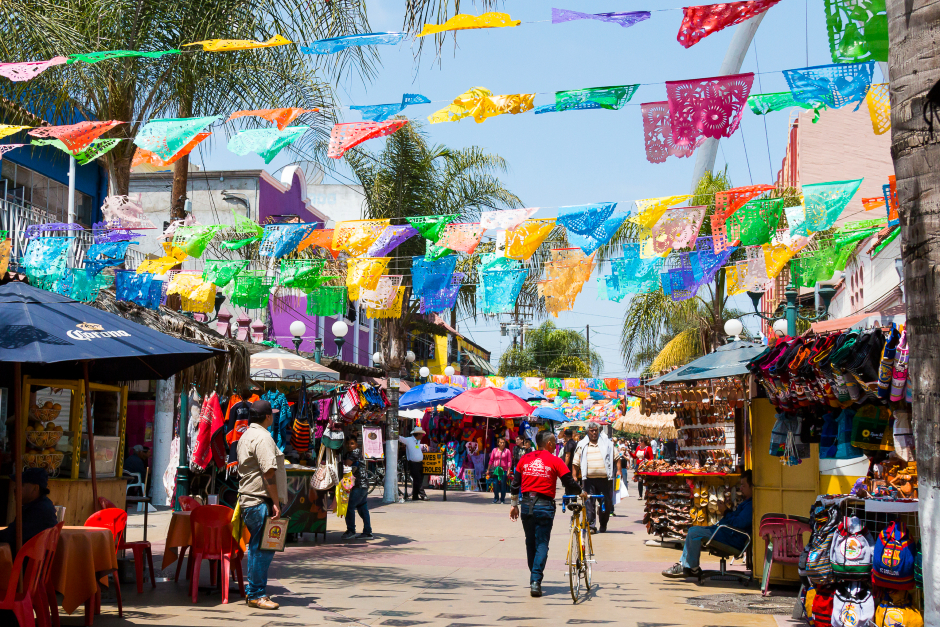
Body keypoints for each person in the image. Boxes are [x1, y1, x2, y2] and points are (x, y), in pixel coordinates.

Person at [509, 430, 585, 598]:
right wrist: (581, 492)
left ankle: (534, 578)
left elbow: (515, 484)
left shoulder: (524, 459)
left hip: (526, 505)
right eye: (554, 442)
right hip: (544, 506)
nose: (555, 444)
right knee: (542, 543)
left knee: (530, 542)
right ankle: (536, 580)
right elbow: (569, 482)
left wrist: (514, 505)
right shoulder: (555, 460)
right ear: (549, 444)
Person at [237, 400, 286, 610]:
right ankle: (257, 594)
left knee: (258, 547)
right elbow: (268, 473)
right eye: (272, 414)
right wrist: (275, 502)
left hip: (251, 500)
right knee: (261, 549)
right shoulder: (263, 437)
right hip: (259, 501)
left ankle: (254, 592)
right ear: (267, 417)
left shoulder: (246, 435)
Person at [662, 471, 754, 579]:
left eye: (743, 485)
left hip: (732, 538)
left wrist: (725, 512)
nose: (741, 488)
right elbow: (737, 520)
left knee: (694, 532)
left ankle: (690, 567)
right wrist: (726, 511)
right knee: (694, 530)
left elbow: (738, 523)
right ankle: (688, 566)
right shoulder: (747, 503)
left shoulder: (750, 506)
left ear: (752, 487)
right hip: (727, 533)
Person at [572, 423, 619, 533]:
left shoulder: (607, 443)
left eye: (595, 430)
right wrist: (574, 476)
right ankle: (591, 526)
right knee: (589, 503)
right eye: (592, 430)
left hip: (605, 480)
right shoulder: (582, 444)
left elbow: (617, 457)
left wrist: (619, 471)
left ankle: (603, 523)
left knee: (606, 502)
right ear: (588, 432)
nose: (594, 432)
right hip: (589, 480)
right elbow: (576, 461)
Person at [0, 468, 58, 554]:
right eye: (16, 485)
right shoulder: (40, 505)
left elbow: (12, 535)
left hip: (26, 561)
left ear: (35, 488)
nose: (15, 488)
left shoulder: (39, 511)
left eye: (22, 485)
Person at [341, 434, 373, 540]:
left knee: (349, 506)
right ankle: (367, 532)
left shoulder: (356, 452)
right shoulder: (350, 453)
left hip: (360, 485)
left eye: (352, 443)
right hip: (361, 485)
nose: (349, 446)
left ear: (356, 444)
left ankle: (351, 531)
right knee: (362, 508)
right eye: (348, 444)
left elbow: (347, 464)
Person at [399, 426, 427, 501]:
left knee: (418, 480)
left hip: (419, 463)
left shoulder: (418, 441)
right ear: (418, 434)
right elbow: (401, 438)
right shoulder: (409, 440)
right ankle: (423, 495)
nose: (422, 436)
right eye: (421, 434)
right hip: (413, 463)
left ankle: (415, 495)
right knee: (418, 479)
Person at [488, 437, 512, 504]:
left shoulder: (507, 451)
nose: (502, 444)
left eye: (503, 443)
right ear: (498, 443)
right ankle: (496, 498)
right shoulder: (494, 450)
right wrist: (488, 469)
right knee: (495, 483)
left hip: (504, 470)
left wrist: (508, 470)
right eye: (501, 443)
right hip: (496, 470)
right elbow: (491, 460)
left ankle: (502, 499)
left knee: (503, 483)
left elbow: (509, 461)